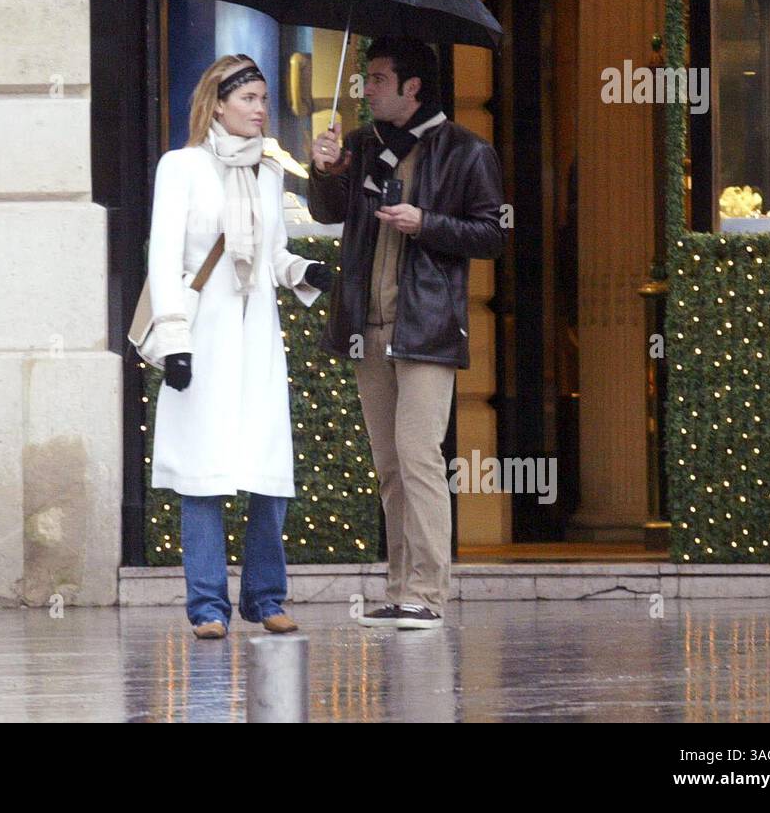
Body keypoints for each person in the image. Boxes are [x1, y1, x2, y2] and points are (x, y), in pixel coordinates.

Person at [308, 35, 505, 630]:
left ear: (412, 87)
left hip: (426, 327)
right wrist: (325, 171)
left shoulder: (467, 151)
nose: (365, 89)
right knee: (389, 464)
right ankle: (398, 588)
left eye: (377, 79)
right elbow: (327, 212)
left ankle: (428, 593)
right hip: (367, 325)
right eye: (365, 77)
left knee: (419, 458)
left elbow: (492, 234)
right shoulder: (363, 145)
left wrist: (428, 224)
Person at [145, 54, 334, 640]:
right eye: (248, 98)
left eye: (263, 99)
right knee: (204, 473)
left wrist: (305, 269)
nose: (260, 109)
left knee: (266, 467)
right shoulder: (180, 167)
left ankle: (265, 597)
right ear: (218, 103)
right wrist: (174, 341)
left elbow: (272, 256)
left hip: (257, 340)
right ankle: (207, 606)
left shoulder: (270, 172)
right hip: (202, 335)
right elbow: (164, 257)